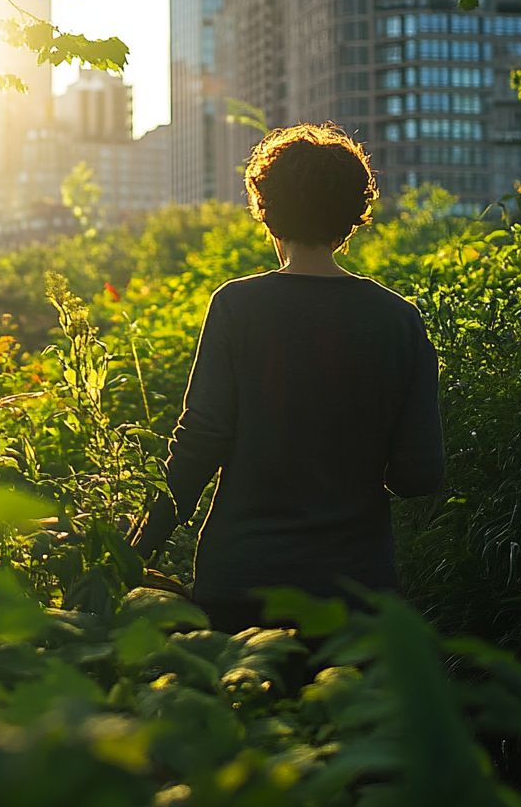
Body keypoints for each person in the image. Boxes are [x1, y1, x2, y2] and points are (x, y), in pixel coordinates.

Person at [136, 122, 445, 633]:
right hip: (354, 591)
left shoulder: (237, 306)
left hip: (242, 581)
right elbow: (419, 477)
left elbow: (200, 441)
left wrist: (137, 547)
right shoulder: (399, 319)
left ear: (267, 212)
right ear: (352, 217)